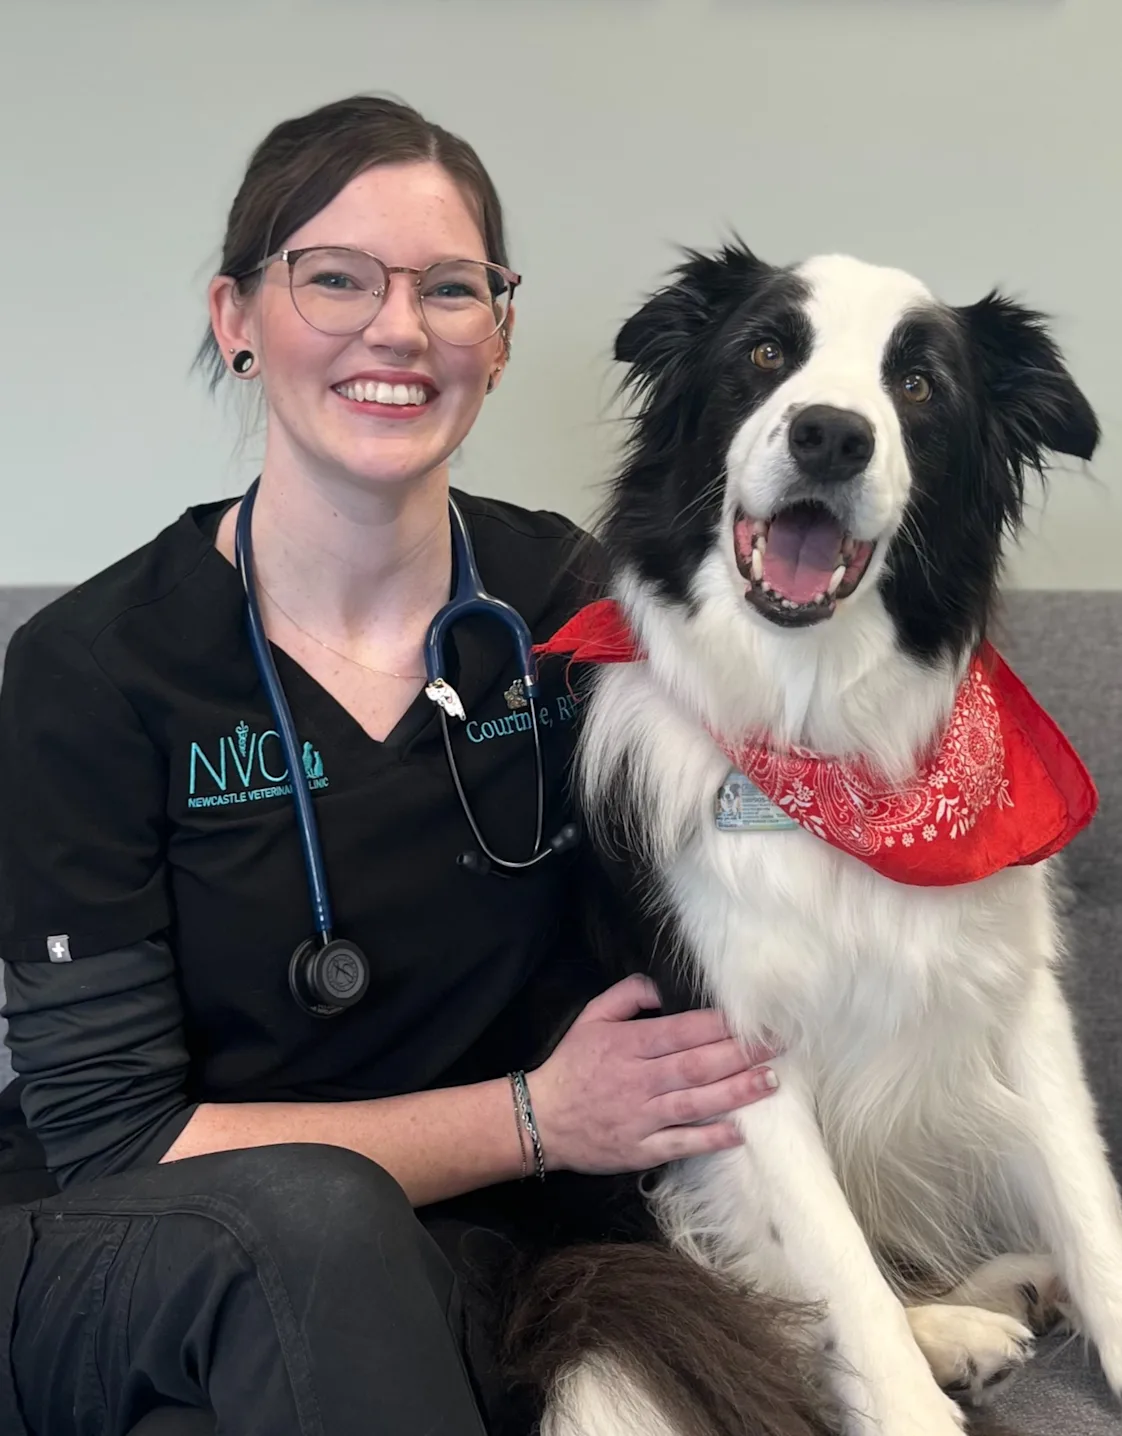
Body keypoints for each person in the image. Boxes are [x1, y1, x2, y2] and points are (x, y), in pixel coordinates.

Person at [0, 95, 780, 1436]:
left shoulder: (571, 604)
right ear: (237, 319)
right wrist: (535, 1120)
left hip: (440, 1259)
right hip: (117, 1251)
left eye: (450, 288)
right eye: (335, 278)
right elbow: (117, 1143)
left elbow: (760, 825)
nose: (399, 328)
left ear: (500, 334)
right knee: (317, 1226)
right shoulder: (94, 669)